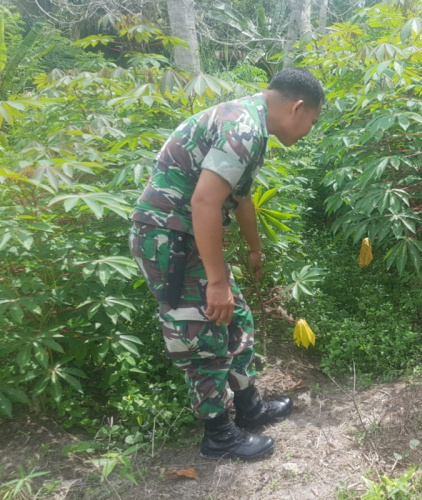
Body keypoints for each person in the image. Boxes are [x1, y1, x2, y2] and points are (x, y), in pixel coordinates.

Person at [129, 68, 324, 461]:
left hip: (190, 239)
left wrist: (254, 248)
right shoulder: (244, 128)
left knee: (237, 319)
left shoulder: (252, 124)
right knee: (203, 332)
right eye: (312, 122)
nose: (308, 132)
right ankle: (218, 434)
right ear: (297, 108)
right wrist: (217, 282)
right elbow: (204, 202)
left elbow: (243, 198)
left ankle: (248, 408)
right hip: (169, 241)